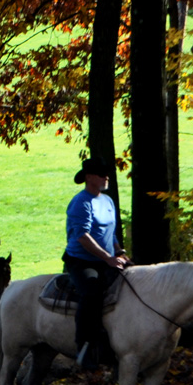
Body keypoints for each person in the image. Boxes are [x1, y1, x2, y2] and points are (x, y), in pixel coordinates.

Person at [65, 158, 128, 370]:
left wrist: (119, 252)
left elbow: (110, 232)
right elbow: (83, 236)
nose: (106, 177)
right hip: (82, 262)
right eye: (102, 174)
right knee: (91, 291)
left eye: (106, 174)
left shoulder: (107, 201)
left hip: (106, 259)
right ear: (89, 177)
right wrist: (108, 258)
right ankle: (84, 347)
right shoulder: (80, 202)